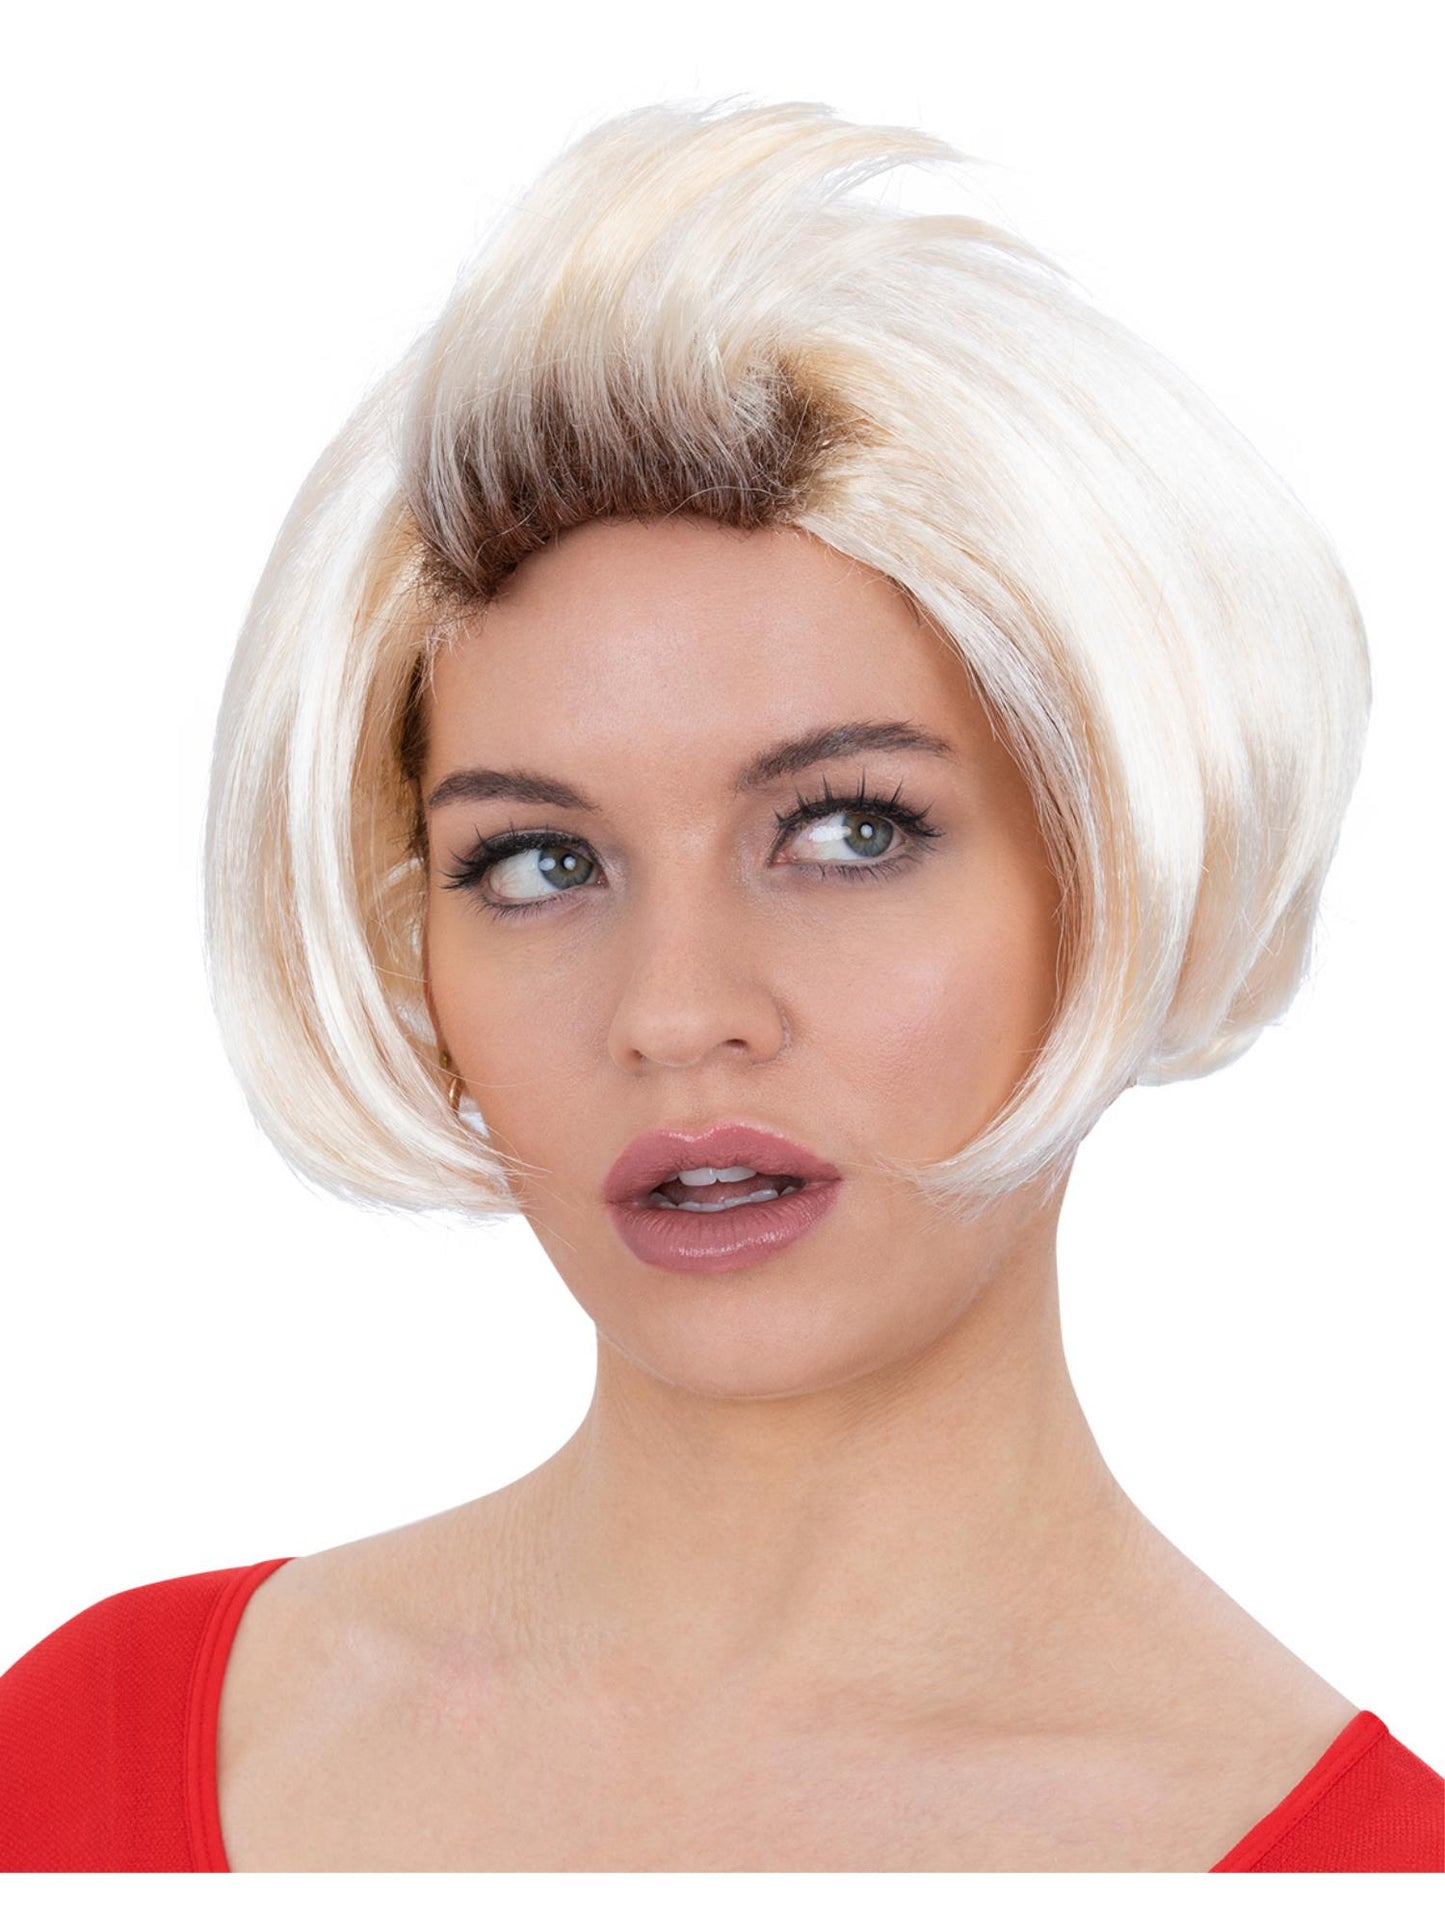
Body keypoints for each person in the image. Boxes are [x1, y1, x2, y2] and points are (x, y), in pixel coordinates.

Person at [1, 97, 1439, 1875]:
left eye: (846, 832)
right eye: (542, 862)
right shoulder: (76, 1763)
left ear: (1116, 874)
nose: (674, 1013)